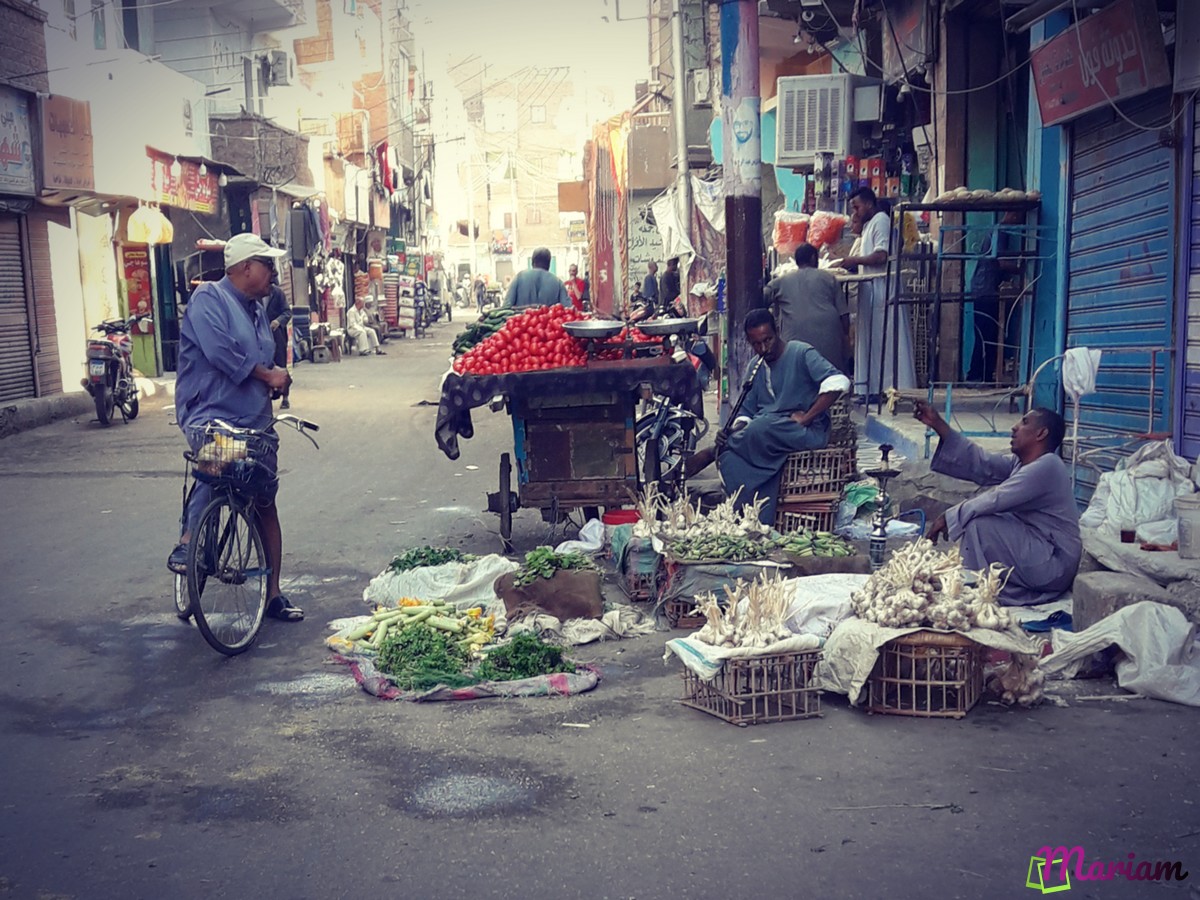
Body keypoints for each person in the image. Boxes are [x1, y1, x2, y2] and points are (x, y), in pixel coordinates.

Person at [168, 232, 302, 621]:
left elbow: (264, 359)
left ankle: (273, 594)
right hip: (210, 412)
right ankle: (190, 540)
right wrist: (266, 375)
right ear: (245, 268)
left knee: (265, 500)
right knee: (217, 462)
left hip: (254, 420)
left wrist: (277, 379)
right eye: (267, 265)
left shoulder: (258, 309)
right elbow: (221, 353)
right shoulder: (208, 298)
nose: (273, 273)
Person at [687, 309, 850, 524]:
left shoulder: (800, 352)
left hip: (803, 430)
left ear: (777, 331)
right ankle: (750, 520)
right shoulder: (755, 367)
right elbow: (746, 413)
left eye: (768, 340)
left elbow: (838, 382)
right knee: (730, 458)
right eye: (756, 344)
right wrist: (731, 432)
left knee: (763, 425)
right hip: (767, 434)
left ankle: (711, 452)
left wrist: (808, 417)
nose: (764, 348)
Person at [914, 399, 1081, 606]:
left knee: (978, 524)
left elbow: (997, 498)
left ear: (1041, 434)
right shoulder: (1021, 463)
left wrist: (947, 517)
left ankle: (976, 593)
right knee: (979, 518)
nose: (1014, 427)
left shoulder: (1048, 466)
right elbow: (983, 463)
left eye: (1024, 422)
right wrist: (938, 425)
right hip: (1039, 553)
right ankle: (980, 588)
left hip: (1055, 564)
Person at [840, 187, 916, 400]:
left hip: (883, 291)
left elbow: (881, 255)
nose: (854, 213)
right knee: (873, 342)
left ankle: (889, 388)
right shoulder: (869, 225)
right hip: (872, 293)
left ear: (869, 204)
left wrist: (854, 260)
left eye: (857, 207)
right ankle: (872, 389)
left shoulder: (881, 220)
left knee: (886, 342)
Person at [764, 242, 850, 374]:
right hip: (830, 348)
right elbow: (844, 316)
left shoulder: (781, 281)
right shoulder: (829, 278)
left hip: (795, 347)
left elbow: (761, 298)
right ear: (813, 258)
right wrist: (845, 340)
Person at [968, 210, 1024, 382]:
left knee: (985, 336)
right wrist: (1021, 268)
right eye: (1020, 218)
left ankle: (980, 376)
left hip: (983, 289)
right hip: (986, 291)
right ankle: (978, 376)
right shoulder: (1000, 233)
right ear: (1013, 215)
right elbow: (1001, 262)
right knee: (987, 336)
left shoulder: (997, 231)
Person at [503, 247, 570, 308]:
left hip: (521, 317)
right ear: (549, 264)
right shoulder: (558, 282)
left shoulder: (519, 277)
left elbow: (506, 307)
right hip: (549, 317)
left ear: (532, 262)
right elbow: (568, 309)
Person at [265, 284, 293, 409]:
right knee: (265, 364)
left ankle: (285, 397)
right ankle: (268, 396)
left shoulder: (277, 293)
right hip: (261, 334)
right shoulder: (254, 293)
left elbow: (287, 312)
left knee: (281, 364)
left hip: (277, 335)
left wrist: (278, 321)